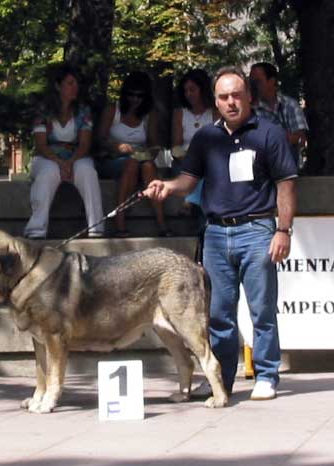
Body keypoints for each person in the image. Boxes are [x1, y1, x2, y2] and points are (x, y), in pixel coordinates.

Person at [143, 66, 297, 401]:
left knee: (262, 310)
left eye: (236, 95)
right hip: (215, 233)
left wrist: (283, 230)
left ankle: (267, 375)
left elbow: (286, 184)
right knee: (217, 314)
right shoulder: (206, 138)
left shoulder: (269, 133)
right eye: (224, 97)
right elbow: (189, 181)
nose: (231, 102)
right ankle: (222, 379)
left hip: (258, 229)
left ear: (249, 97)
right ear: (216, 101)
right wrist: (167, 187)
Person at [24, 64, 104, 239]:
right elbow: (41, 145)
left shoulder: (83, 111)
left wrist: (70, 162)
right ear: (58, 86)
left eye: (76, 83)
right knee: (48, 172)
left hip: (76, 155)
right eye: (70, 83)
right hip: (47, 156)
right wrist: (60, 163)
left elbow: (84, 144)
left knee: (87, 171)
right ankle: (36, 229)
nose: (74, 87)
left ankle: (96, 227)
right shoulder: (43, 110)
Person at [97, 71, 171, 237]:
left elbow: (153, 141)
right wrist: (117, 147)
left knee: (149, 167)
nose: (135, 100)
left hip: (139, 159)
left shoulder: (148, 115)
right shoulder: (113, 110)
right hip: (113, 159)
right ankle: (120, 221)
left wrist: (152, 151)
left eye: (140, 96)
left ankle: (161, 223)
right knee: (131, 164)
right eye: (132, 95)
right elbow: (100, 139)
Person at [172, 69, 217, 219]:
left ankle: (190, 201)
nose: (188, 94)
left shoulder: (215, 113)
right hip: (184, 161)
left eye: (192, 90)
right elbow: (176, 146)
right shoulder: (180, 113)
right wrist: (185, 158)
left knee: (206, 172)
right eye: (185, 91)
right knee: (199, 174)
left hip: (209, 161)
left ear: (202, 90)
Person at [250, 62, 308, 166]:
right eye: (251, 82)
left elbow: (299, 138)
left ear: (271, 81)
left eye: (258, 82)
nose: (254, 86)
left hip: (288, 162)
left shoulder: (290, 104)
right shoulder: (249, 109)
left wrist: (272, 139)